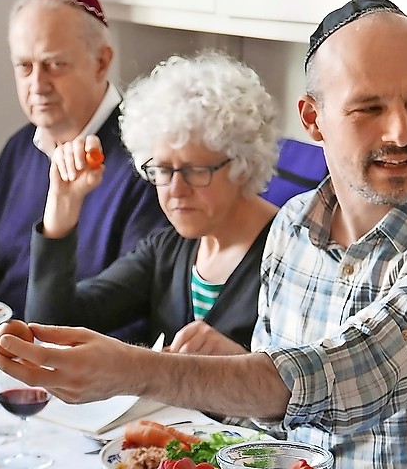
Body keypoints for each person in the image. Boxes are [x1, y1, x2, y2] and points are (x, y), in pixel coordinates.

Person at [0, 0, 407, 469]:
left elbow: (354, 380)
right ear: (313, 120)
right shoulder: (294, 226)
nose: (401, 133)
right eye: (370, 108)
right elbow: (277, 433)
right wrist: (220, 397)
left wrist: (135, 370)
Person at [27, 50, 278, 352]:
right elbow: (53, 327)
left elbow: (315, 385)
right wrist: (62, 204)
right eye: (162, 170)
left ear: (243, 164)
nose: (175, 189)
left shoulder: (291, 255)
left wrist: (243, 366)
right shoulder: (167, 251)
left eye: (195, 170)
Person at [0, 0, 163, 326]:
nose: (37, 85)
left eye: (54, 65)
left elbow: (138, 308)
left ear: (101, 62)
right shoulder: (18, 149)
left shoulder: (148, 159)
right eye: (24, 67)